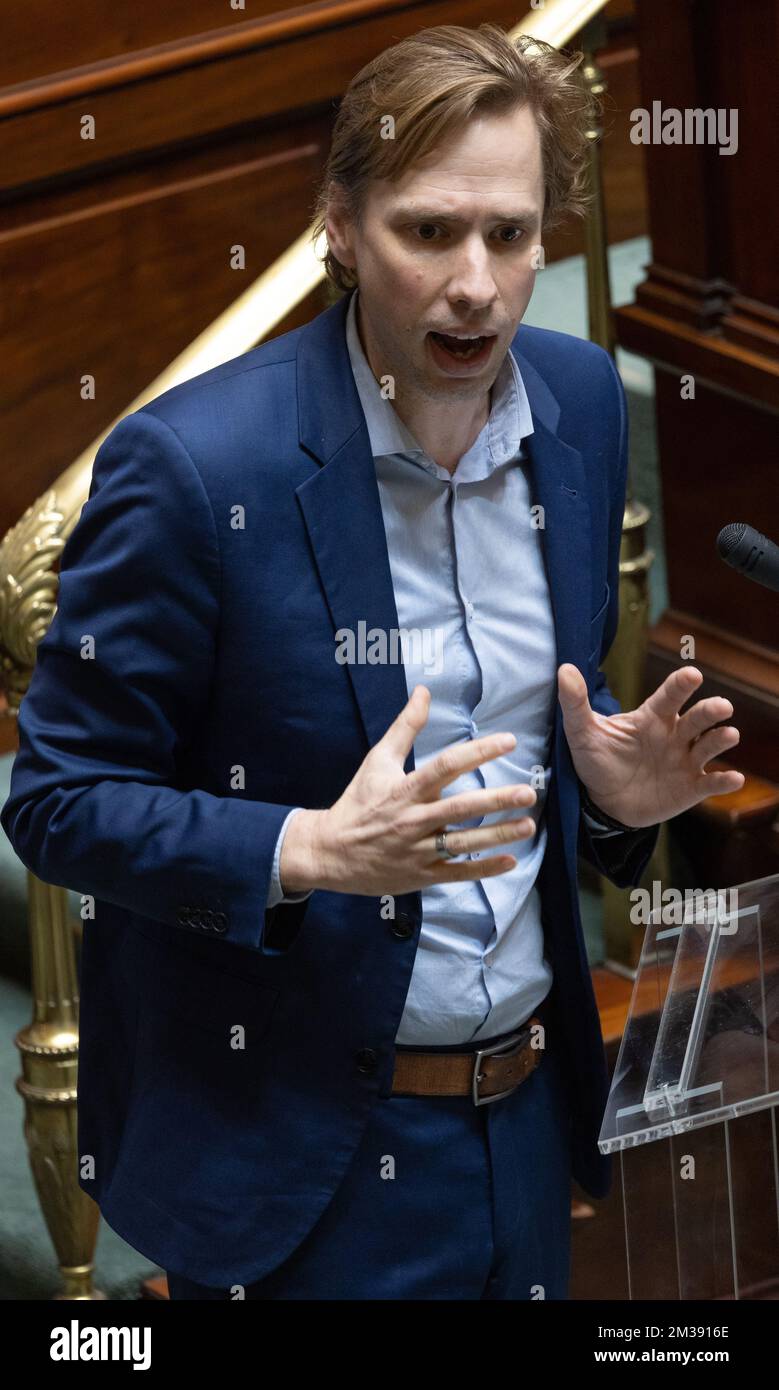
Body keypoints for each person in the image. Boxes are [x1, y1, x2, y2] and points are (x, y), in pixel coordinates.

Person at [1, 23, 744, 1300]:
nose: (475, 284)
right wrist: (306, 852)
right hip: (298, 1158)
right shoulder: (195, 470)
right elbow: (57, 801)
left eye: (509, 237)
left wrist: (614, 801)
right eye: (427, 231)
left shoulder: (571, 409)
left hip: (520, 1122)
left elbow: (533, 707)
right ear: (338, 228)